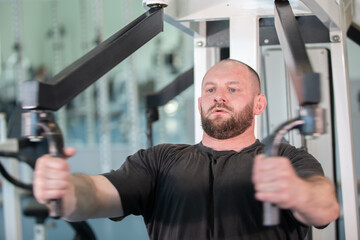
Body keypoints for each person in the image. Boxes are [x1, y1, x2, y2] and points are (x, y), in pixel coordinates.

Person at [33, 59, 340, 239]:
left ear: (259, 104)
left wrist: (297, 191)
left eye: (232, 89)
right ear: (199, 103)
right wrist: (66, 190)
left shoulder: (286, 159)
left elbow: (325, 206)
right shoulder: (159, 161)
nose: (219, 97)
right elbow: (96, 195)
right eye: (210, 90)